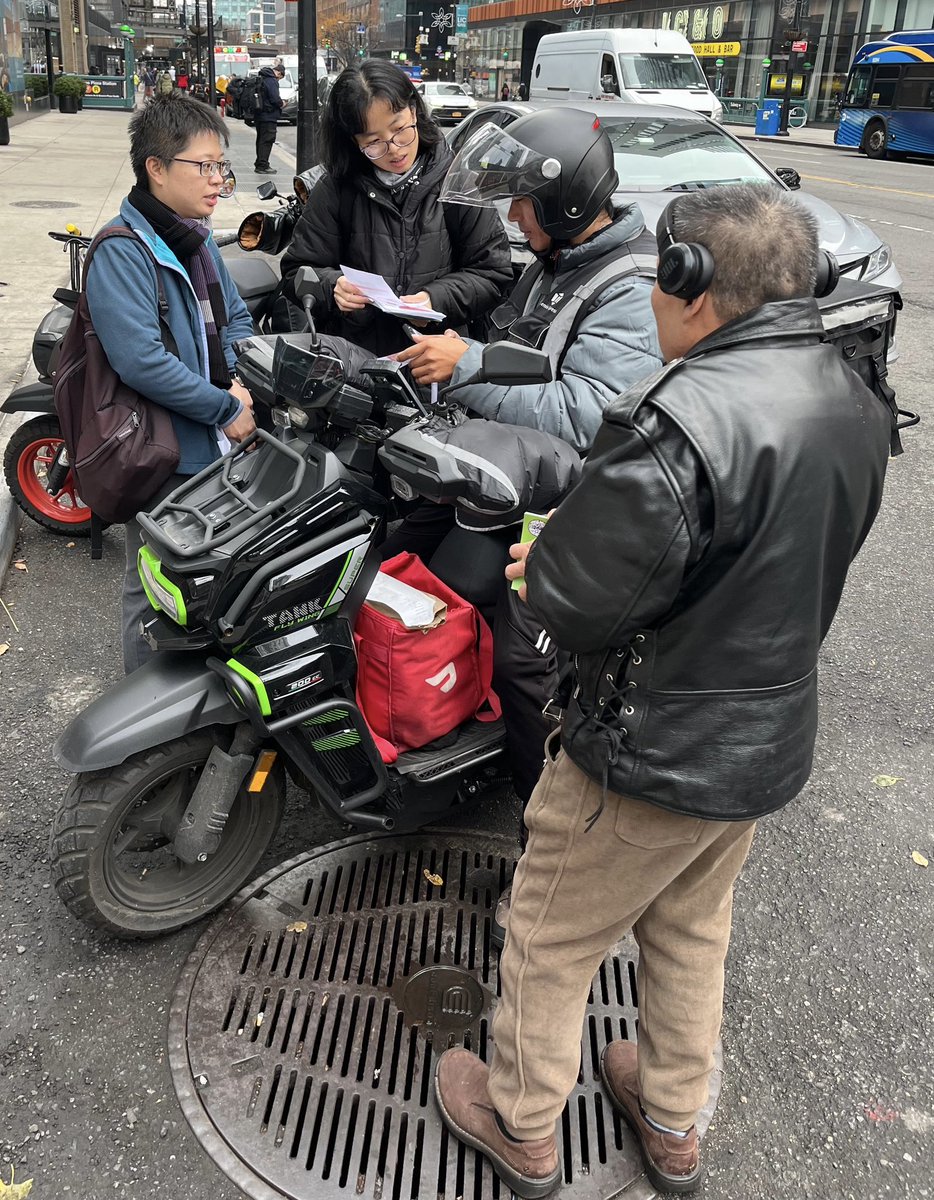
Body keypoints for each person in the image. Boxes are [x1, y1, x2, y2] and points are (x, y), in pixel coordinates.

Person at [432, 185, 892, 1197]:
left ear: (686, 284)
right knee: (689, 930)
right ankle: (674, 1118)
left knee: (548, 939)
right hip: (761, 742)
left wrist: (541, 564)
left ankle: (520, 1125)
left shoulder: (673, 424)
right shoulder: (852, 389)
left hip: (644, 753)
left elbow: (574, 605)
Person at [390, 108, 661, 806]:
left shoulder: (627, 286)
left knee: (523, 664)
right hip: (514, 472)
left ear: (566, 203)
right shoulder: (559, 262)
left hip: (575, 500)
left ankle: (542, 817)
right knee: (404, 557)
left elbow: (588, 417)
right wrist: (450, 350)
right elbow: (521, 354)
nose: (513, 215)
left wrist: (469, 364)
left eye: (524, 201)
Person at [84, 93, 256, 674]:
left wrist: (237, 377)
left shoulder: (197, 237)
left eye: (221, 166)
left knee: (206, 580)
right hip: (163, 451)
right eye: (203, 166)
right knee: (153, 588)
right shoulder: (121, 250)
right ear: (156, 168)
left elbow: (235, 317)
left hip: (212, 444)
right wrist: (221, 406)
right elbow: (142, 362)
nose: (217, 181)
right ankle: (142, 729)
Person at [280, 59, 512, 357]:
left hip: (435, 359)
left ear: (414, 111)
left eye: (400, 130)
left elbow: (493, 273)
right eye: (374, 142)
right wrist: (331, 287)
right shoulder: (337, 188)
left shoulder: (458, 179)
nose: (395, 150)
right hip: (354, 362)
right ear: (353, 142)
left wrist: (434, 299)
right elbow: (296, 272)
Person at [254, 63, 284, 174]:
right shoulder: (272, 81)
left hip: (259, 114)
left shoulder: (261, 78)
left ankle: (259, 163)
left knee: (261, 140)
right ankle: (262, 165)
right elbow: (275, 99)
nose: (278, 80)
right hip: (269, 115)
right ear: (279, 73)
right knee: (267, 140)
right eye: (280, 78)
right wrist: (282, 103)